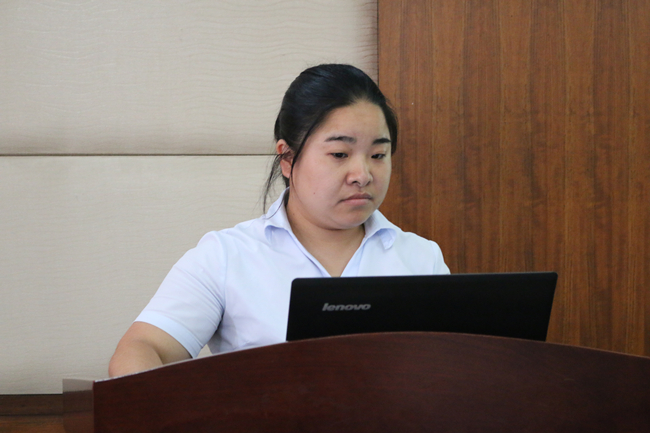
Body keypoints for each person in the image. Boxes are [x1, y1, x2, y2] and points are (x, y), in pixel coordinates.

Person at [108, 64, 449, 377]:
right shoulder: (226, 256)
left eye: (378, 155)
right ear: (287, 158)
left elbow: (455, 370)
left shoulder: (421, 259)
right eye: (339, 154)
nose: (362, 174)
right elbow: (143, 348)